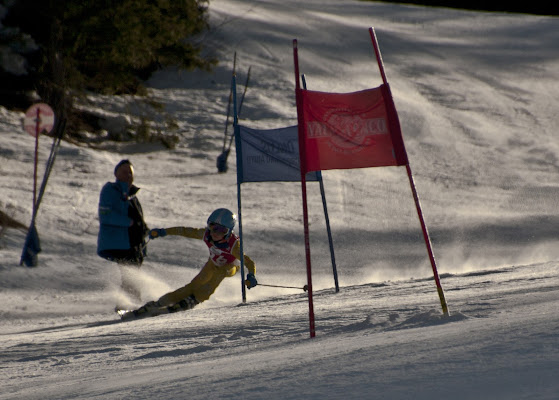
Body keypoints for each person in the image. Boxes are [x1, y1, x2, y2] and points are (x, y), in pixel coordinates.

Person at [127, 208, 257, 318]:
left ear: (229, 232)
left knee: (218, 275)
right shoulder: (206, 234)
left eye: (222, 230)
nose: (216, 233)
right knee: (194, 285)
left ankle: (195, 299)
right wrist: (164, 231)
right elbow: (184, 231)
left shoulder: (234, 245)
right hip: (212, 263)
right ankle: (160, 303)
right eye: (213, 227)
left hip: (230, 267)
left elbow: (248, 262)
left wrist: (251, 275)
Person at [97, 159, 149, 301]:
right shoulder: (111, 190)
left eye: (130, 173)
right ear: (116, 174)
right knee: (129, 274)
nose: (128, 175)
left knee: (133, 273)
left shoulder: (132, 196)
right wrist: (128, 222)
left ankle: (130, 304)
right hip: (121, 243)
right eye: (124, 172)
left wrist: (145, 230)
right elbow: (106, 215)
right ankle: (129, 304)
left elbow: (139, 220)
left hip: (135, 244)